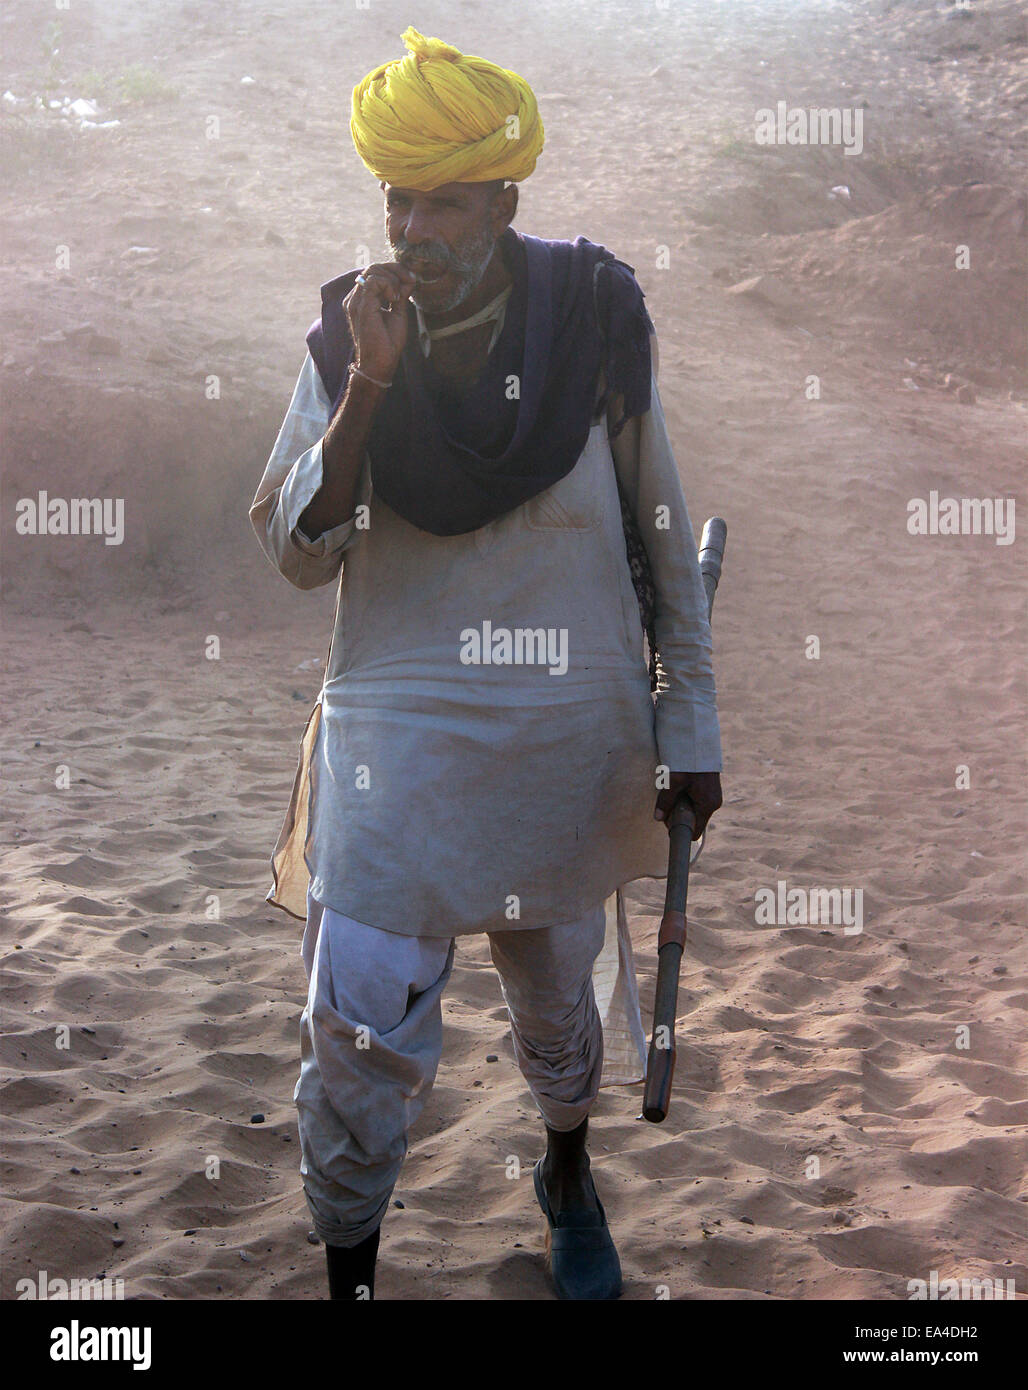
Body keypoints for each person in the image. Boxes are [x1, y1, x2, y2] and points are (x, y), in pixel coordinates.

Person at [250, 27, 723, 1301]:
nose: (412, 225)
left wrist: (694, 727)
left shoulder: (592, 317)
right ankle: (352, 1273)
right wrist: (365, 391)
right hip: (391, 744)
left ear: (504, 199)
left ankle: (565, 1170)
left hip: (565, 736)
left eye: (442, 199)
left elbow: (662, 527)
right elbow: (297, 553)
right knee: (352, 1037)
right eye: (395, 197)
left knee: (558, 1021)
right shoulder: (347, 333)